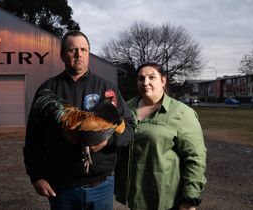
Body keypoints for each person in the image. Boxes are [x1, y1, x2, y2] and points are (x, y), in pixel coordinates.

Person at [23, 30, 134, 210]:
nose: (79, 54)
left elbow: (129, 128)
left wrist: (108, 140)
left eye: (83, 49)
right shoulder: (49, 89)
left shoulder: (107, 88)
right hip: (62, 186)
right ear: (62, 55)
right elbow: (33, 138)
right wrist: (36, 176)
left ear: (89, 53)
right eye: (72, 50)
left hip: (101, 184)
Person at [114, 62, 207, 210]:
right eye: (141, 78)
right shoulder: (126, 108)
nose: (145, 83)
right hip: (134, 199)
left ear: (163, 81)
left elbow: (195, 157)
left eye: (152, 77)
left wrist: (190, 198)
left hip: (166, 200)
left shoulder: (182, 113)